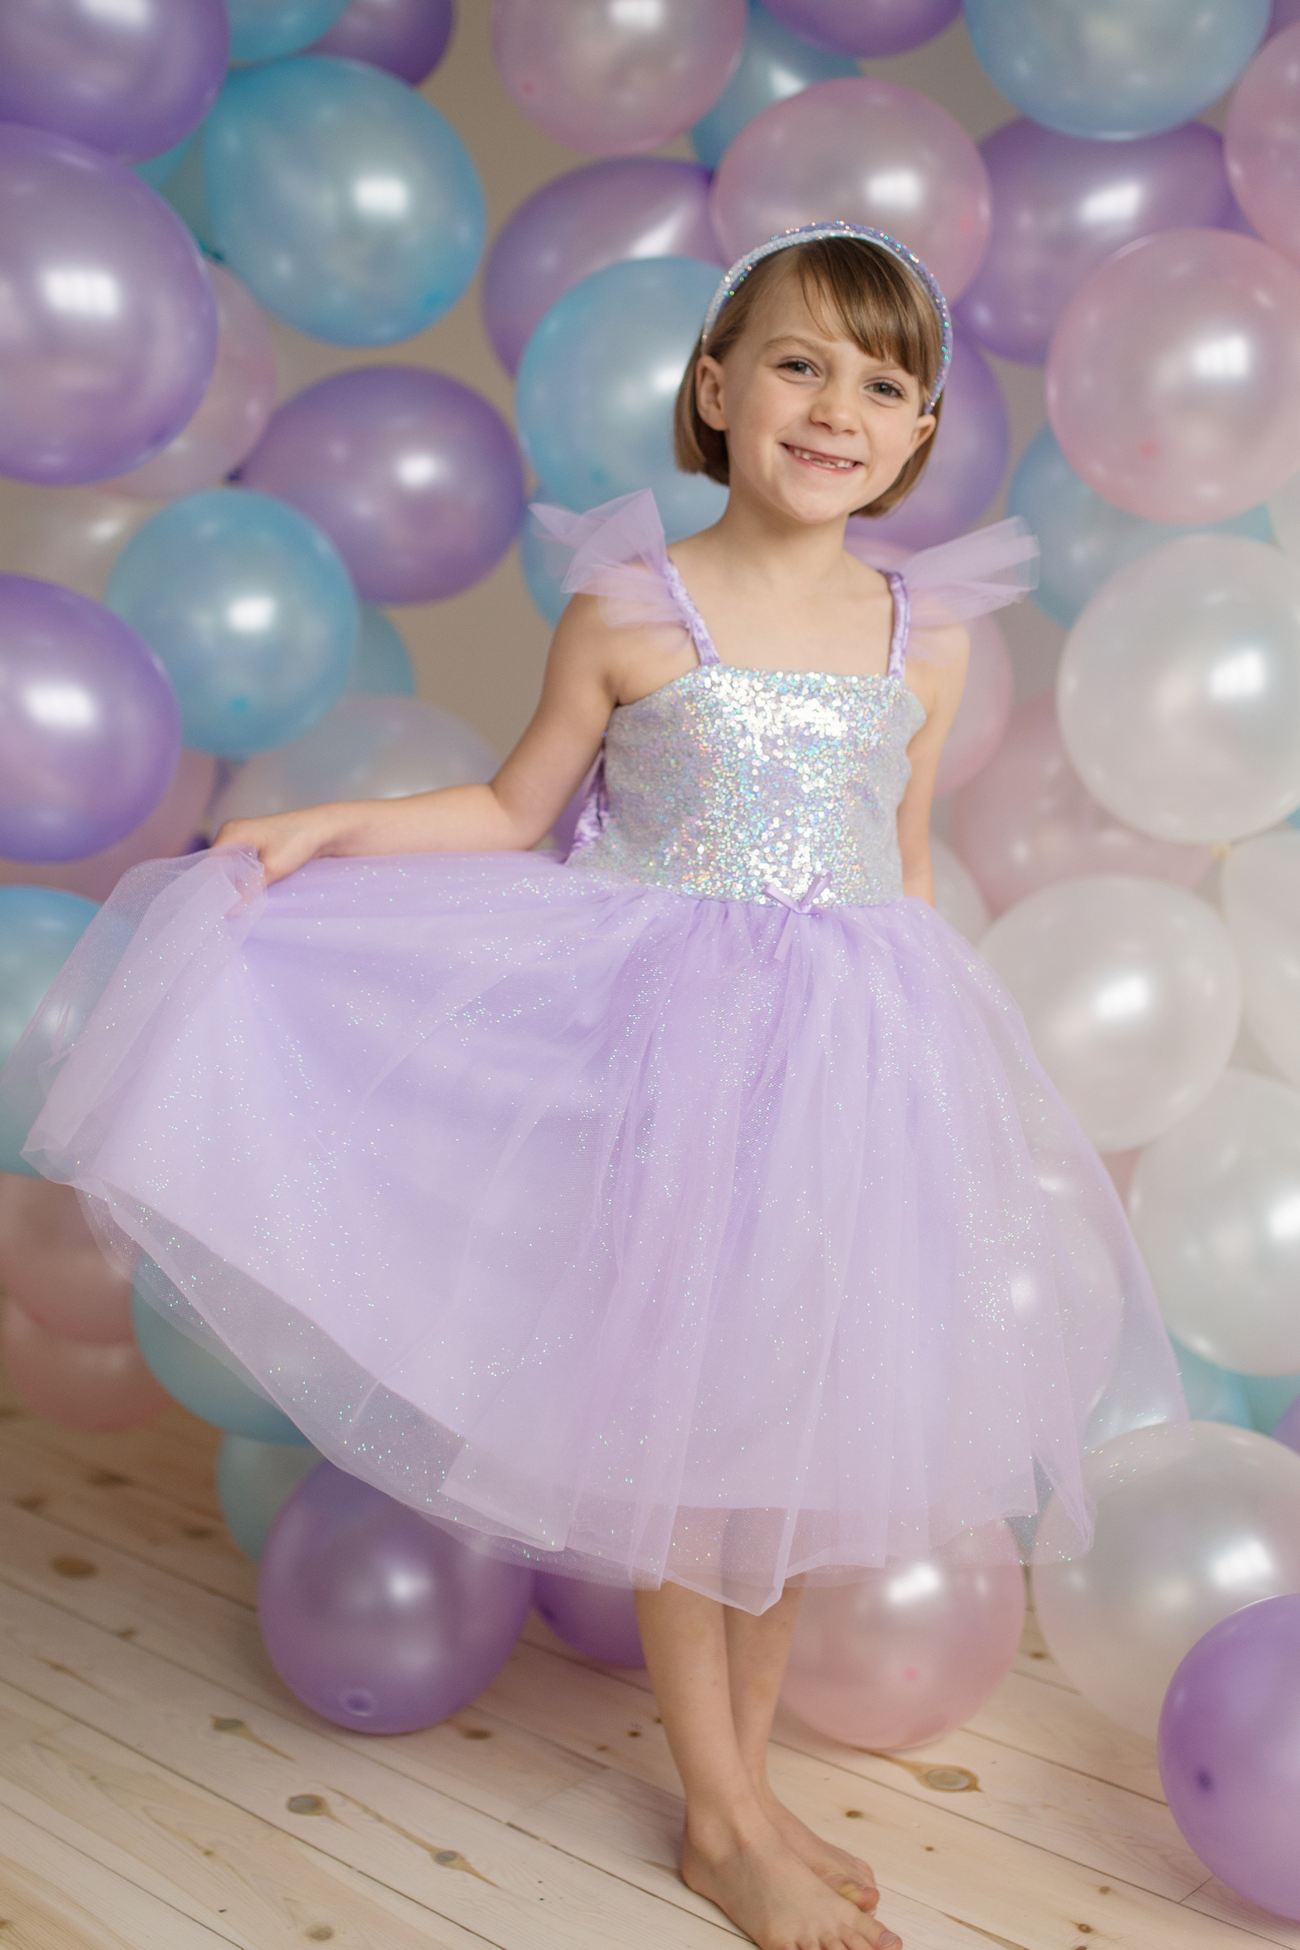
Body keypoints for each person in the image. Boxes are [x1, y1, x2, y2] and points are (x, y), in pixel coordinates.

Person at [5, 222, 1186, 1950]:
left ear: (921, 431)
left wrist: (940, 1096)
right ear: (716, 388)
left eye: (883, 381)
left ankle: (753, 1782)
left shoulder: (918, 636)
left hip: (846, 1072)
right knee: (685, 1445)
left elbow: (902, 870)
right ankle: (718, 1819)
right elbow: (509, 812)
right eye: (797, 362)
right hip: (668, 1063)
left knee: (785, 1453)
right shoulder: (640, 604)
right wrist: (321, 829)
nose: (836, 404)